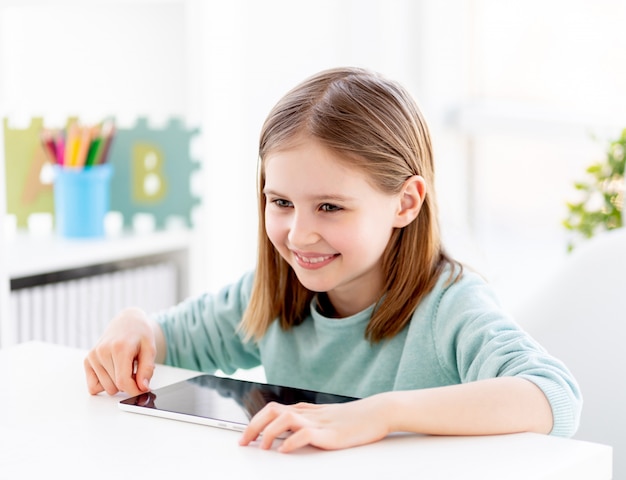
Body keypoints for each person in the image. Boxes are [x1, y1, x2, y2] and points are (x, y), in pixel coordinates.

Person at [84, 67, 581, 453]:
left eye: (330, 207)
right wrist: (139, 326)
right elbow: (176, 341)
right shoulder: (275, 289)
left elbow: (552, 395)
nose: (299, 233)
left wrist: (378, 414)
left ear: (405, 203)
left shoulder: (450, 306)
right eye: (280, 202)